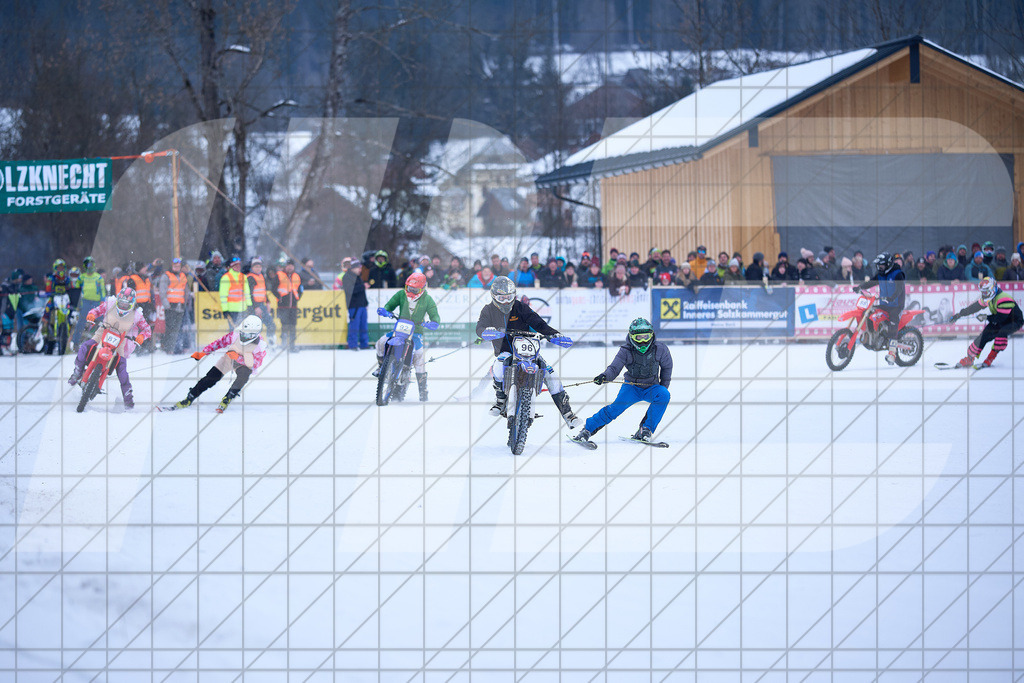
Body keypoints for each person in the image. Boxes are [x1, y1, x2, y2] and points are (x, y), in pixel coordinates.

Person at [475, 276, 582, 429]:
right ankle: (500, 400)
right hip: (505, 351)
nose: (506, 301)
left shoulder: (521, 307)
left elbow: (538, 322)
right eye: (501, 298)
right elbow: (480, 327)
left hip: (527, 349)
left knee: (550, 374)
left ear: (514, 295)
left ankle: (568, 414)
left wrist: (554, 334)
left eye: (509, 297)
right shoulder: (488, 310)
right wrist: (486, 332)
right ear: (494, 296)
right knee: (498, 367)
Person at [572, 317, 673, 446]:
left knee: (664, 395)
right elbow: (614, 368)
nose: (642, 341)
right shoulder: (625, 351)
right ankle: (586, 430)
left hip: (652, 387)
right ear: (631, 337)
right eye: (638, 338)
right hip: (631, 388)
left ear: (652, 336)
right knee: (615, 409)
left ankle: (645, 430)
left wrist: (663, 389)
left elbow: (667, 368)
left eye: (646, 337)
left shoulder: (661, 349)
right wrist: (604, 377)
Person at [68, 286, 152, 410]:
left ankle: (128, 397)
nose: (123, 306)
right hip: (102, 332)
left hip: (121, 340)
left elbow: (147, 330)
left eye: (126, 304)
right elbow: (96, 310)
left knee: (122, 368)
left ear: (132, 303)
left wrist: (141, 337)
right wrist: (91, 315)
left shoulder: (137, 315)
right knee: (85, 347)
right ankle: (77, 372)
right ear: (118, 300)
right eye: (121, 303)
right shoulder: (110, 304)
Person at [169, 314, 268, 412]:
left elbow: (255, 364)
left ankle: (228, 397)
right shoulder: (235, 335)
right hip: (228, 360)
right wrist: (204, 352)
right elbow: (220, 342)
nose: (245, 336)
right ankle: (190, 397)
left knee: (244, 375)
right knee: (211, 378)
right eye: (244, 333)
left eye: (249, 335)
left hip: (244, 365)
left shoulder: (260, 346)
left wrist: (238, 358)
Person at [372, 272, 438, 401]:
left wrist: (434, 322)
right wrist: (386, 311)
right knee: (380, 342)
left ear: (423, 288)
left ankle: (423, 390)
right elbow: (390, 305)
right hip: (400, 329)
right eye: (409, 288)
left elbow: (434, 314)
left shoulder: (428, 299)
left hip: (417, 332)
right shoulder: (401, 294)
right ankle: (381, 367)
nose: (411, 291)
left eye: (415, 289)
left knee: (419, 357)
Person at [948, 277, 1023, 368]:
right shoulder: (988, 297)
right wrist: (959, 315)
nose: (984, 294)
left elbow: (1000, 318)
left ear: (992, 289)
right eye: (982, 292)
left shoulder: (1003, 298)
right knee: (984, 335)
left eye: (986, 292)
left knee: (1002, 333)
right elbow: (974, 307)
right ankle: (970, 358)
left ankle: (990, 358)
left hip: (1014, 321)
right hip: (999, 319)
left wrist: (986, 317)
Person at [853, 252, 905, 365]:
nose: (879, 268)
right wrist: (860, 287)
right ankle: (875, 336)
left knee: (892, 324)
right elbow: (871, 282)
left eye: (881, 265)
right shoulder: (881, 274)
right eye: (878, 265)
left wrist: (892, 298)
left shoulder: (898, 274)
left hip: (896, 305)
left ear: (888, 264)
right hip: (884, 302)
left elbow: (899, 289)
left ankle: (892, 353)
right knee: (871, 312)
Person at [42, 258, 74, 354]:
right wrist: (50, 293)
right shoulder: (51, 278)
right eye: (58, 267)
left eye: (62, 267)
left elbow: (71, 288)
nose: (60, 269)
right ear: (55, 268)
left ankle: (68, 328)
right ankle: (45, 331)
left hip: (64, 300)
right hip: (54, 299)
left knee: (71, 312)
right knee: (47, 311)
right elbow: (48, 289)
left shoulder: (67, 279)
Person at [159, 257, 190, 354]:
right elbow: (162, 292)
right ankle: (169, 348)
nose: (177, 267)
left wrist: (185, 302)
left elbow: (185, 290)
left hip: (180, 306)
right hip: (171, 306)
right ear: (172, 266)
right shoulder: (166, 276)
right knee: (170, 328)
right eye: (175, 266)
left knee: (178, 328)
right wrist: (166, 305)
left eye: (178, 266)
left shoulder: (182, 276)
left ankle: (175, 347)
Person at [74, 256, 106, 348]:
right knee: (81, 322)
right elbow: (77, 289)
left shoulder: (98, 277)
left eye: (91, 264)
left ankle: (101, 342)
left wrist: (102, 301)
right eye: (87, 264)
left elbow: (102, 290)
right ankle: (76, 343)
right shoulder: (82, 277)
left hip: (96, 303)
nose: (89, 266)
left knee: (101, 322)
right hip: (85, 302)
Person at [246, 257, 275, 350]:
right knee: (256, 328)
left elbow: (263, 291)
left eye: (259, 267)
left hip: (262, 304)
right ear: (252, 267)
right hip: (255, 306)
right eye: (256, 267)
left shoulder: (261, 276)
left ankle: (271, 343)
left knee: (271, 324)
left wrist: (267, 302)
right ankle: (253, 347)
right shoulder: (250, 277)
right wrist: (255, 307)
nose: (258, 268)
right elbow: (250, 294)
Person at [273, 259, 302, 352]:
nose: (290, 267)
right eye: (288, 265)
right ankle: (284, 345)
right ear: (285, 266)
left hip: (293, 306)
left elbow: (300, 289)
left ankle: (292, 346)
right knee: (284, 325)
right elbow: (273, 288)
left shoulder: (297, 276)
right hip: (283, 306)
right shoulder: (279, 275)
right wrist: (280, 298)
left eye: (292, 265)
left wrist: (297, 298)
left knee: (293, 326)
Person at [343, 258, 369, 350]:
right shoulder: (347, 277)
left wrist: (366, 303)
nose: (360, 270)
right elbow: (350, 290)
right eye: (358, 268)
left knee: (363, 326)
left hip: (362, 305)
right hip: (354, 305)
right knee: (354, 326)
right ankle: (353, 344)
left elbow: (362, 292)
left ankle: (364, 344)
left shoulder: (358, 277)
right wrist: (363, 286)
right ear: (353, 268)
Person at [219, 256, 252, 328]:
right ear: (231, 266)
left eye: (239, 265)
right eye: (235, 265)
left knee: (243, 330)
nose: (238, 267)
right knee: (233, 331)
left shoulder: (243, 277)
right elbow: (223, 295)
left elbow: (247, 293)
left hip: (242, 309)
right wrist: (225, 309)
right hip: (231, 310)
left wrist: (249, 305)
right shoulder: (226, 277)